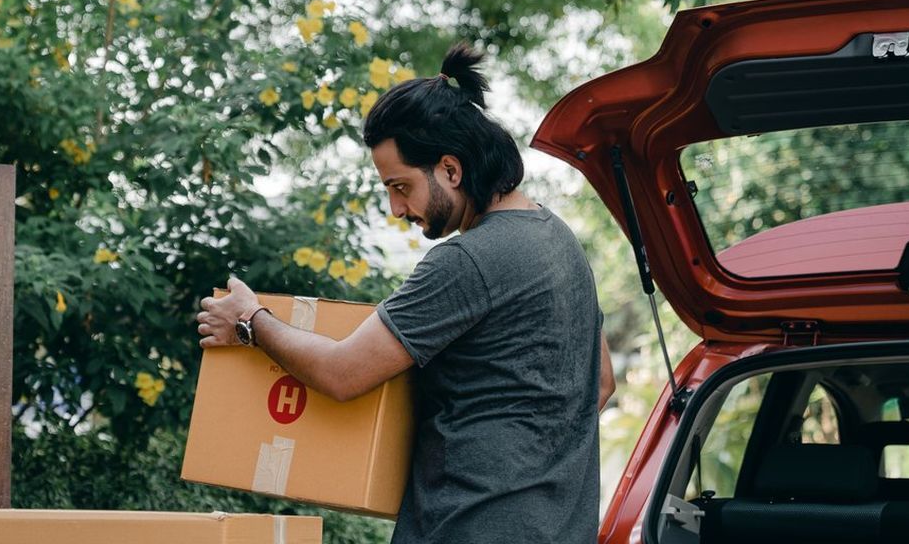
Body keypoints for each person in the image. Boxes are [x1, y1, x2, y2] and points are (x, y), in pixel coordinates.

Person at [197, 43, 615, 543]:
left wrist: (250, 321)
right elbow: (601, 384)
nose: (397, 209)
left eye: (401, 187)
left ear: (451, 170)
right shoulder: (560, 241)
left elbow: (342, 373)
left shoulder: (468, 261)